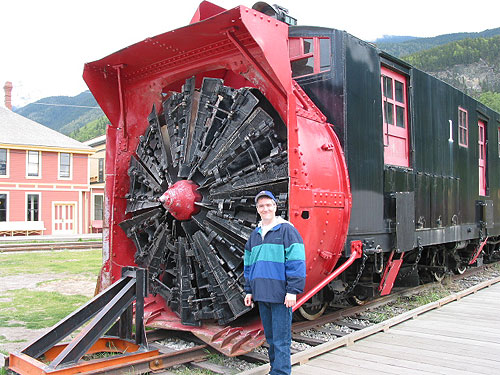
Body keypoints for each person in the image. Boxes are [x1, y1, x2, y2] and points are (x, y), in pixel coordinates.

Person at [243, 190, 306, 375]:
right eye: (261, 206)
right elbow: (249, 265)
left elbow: (296, 262)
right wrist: (249, 291)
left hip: (281, 295)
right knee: (270, 337)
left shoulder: (287, 230)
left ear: (275, 207)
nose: (265, 208)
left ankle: (281, 372)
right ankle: (274, 370)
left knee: (281, 339)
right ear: (257, 209)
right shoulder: (254, 235)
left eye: (269, 205)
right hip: (262, 294)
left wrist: (292, 290)